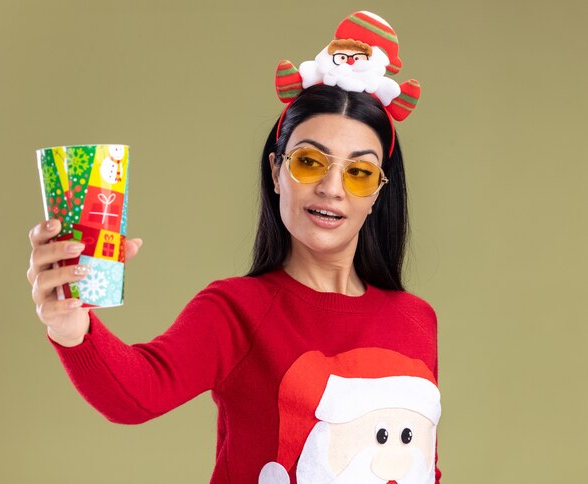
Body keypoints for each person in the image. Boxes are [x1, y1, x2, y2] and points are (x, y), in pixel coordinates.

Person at [27, 11, 441, 484]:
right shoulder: (237, 310)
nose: (332, 187)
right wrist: (71, 328)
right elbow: (134, 397)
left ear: (379, 191)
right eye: (309, 162)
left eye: (359, 172)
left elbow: (422, 467)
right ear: (276, 171)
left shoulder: (415, 320)